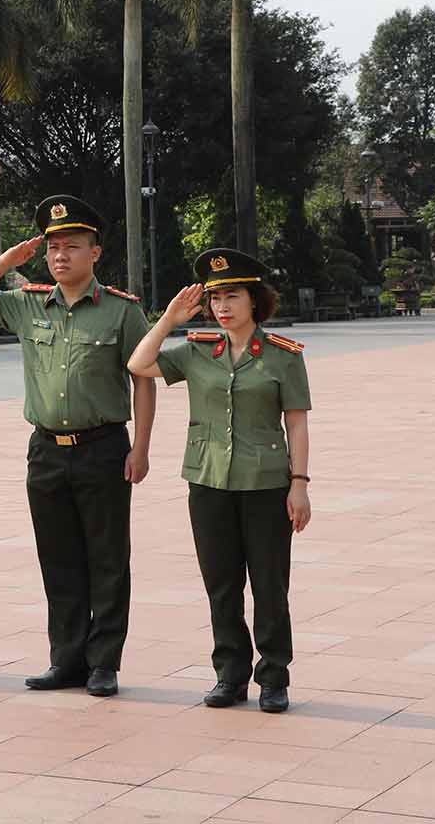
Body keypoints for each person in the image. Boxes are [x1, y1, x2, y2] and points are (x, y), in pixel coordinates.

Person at [0, 195, 155, 697]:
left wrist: (143, 448)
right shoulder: (29, 304)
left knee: (107, 557)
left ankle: (104, 661)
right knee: (59, 558)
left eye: (72, 246)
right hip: (46, 450)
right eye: (52, 248)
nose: (60, 256)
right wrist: (7, 261)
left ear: (96, 253)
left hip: (104, 446)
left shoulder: (120, 311)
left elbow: (144, 379)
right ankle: (65, 659)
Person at [127, 248, 312, 714]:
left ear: (255, 300)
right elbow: (139, 364)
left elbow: (297, 423)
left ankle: (274, 677)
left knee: (270, 584)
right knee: (222, 584)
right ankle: (230, 674)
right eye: (215, 299)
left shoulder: (282, 357)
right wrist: (169, 318)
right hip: (208, 482)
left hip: (266, 483)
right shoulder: (196, 351)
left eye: (232, 296)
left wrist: (300, 483)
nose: (222, 307)